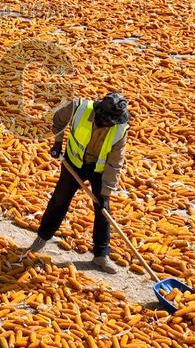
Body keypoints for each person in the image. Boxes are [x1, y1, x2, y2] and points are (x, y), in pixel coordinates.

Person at [29, 93, 131, 274]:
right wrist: (57, 143)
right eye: (108, 122)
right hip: (73, 163)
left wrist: (106, 192)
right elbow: (58, 120)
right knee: (60, 200)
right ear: (100, 114)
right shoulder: (79, 108)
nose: (110, 125)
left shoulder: (120, 129)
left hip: (99, 169)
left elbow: (115, 163)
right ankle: (42, 237)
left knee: (103, 210)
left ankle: (101, 254)